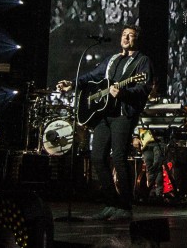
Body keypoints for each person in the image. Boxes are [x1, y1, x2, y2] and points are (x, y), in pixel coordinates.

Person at [57, 24, 152, 221]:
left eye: (131, 35)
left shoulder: (142, 62)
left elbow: (144, 88)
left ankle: (125, 207)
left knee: (118, 157)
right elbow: (92, 77)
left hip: (122, 115)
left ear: (136, 40)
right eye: (124, 34)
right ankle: (110, 203)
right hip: (104, 115)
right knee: (98, 157)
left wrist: (124, 92)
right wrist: (73, 84)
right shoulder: (112, 59)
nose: (126, 38)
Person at [132, 127, 167, 203]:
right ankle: (152, 193)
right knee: (151, 168)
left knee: (157, 166)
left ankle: (157, 194)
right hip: (146, 143)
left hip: (158, 140)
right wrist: (135, 137)